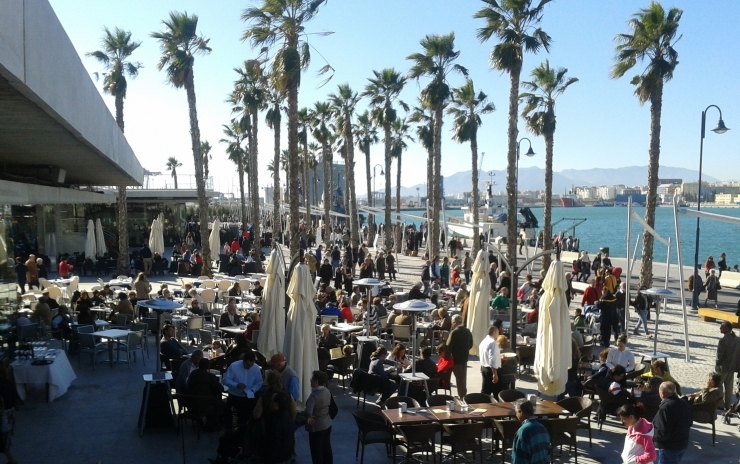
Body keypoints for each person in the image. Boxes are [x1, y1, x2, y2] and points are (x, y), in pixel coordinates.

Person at [252, 369, 297, 463]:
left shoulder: (264, 395)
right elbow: (293, 412)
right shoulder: (287, 394)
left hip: (269, 430)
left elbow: (256, 415)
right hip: (285, 428)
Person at [654, 381, 693, 463]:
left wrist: (653, 440)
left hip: (669, 447)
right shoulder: (684, 403)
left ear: (663, 393)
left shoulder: (665, 408)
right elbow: (689, 423)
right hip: (682, 444)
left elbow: (662, 431)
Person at [223, 350, 263, 428]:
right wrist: (236, 385)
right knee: (230, 416)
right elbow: (226, 380)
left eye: (251, 365)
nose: (249, 367)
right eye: (247, 365)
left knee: (246, 417)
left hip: (248, 396)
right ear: (243, 361)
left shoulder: (256, 368)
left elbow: (259, 382)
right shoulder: (234, 366)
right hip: (234, 395)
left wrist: (252, 390)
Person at [186, 358, 224, 430]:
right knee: (220, 404)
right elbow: (220, 389)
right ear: (208, 366)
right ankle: (212, 424)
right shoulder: (210, 376)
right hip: (205, 404)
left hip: (191, 403)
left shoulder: (193, 374)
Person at [306, 370, 333, 464]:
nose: (310, 380)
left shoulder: (313, 396)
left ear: (316, 381)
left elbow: (309, 412)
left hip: (317, 427)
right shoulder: (327, 391)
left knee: (316, 452)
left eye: (312, 379)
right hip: (327, 423)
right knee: (326, 448)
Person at [512, 399, 550, 464]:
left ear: (520, 411)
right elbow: (547, 454)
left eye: (516, 412)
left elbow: (518, 458)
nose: (516, 415)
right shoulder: (543, 428)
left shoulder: (523, 431)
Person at [446, 315, 474, 397]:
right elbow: (471, 344)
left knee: (459, 379)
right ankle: (463, 395)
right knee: (463, 378)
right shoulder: (468, 331)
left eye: (452, 323)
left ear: (454, 322)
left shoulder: (454, 332)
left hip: (455, 358)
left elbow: (448, 346)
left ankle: (462, 396)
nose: (452, 324)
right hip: (464, 358)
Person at [716, 322, 740, 410]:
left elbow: (719, 355)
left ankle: (720, 404)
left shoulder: (722, 340)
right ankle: (727, 405)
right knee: (729, 388)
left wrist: (717, 365)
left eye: (722, 326)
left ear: (727, 329)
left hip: (723, 367)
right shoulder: (737, 339)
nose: (720, 328)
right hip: (732, 367)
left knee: (718, 385)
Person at [479, 325, 502, 397]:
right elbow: (492, 358)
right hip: (490, 370)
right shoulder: (492, 342)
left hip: (484, 368)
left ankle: (482, 405)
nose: (498, 334)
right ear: (494, 332)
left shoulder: (483, 341)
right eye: (498, 332)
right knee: (496, 392)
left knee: (485, 390)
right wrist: (495, 374)